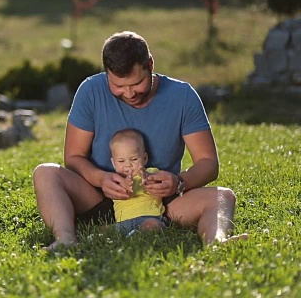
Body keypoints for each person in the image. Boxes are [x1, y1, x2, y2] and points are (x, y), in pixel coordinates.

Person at [32, 31, 247, 250]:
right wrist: (101, 179)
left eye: (137, 83)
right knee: (46, 173)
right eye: (118, 86)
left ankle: (217, 243)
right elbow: (74, 157)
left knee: (222, 196)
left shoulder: (183, 96)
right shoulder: (90, 91)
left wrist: (179, 182)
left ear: (150, 64)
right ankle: (65, 240)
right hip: (99, 198)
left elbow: (208, 163)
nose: (129, 93)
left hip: (160, 204)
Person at [109, 128, 167, 236]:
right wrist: (126, 185)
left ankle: (136, 235)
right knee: (108, 230)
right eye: (121, 161)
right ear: (113, 163)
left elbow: (160, 185)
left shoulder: (153, 172)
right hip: (123, 222)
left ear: (144, 158)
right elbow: (120, 193)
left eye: (134, 159)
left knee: (154, 225)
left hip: (149, 217)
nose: (128, 165)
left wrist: (148, 179)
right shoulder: (115, 179)